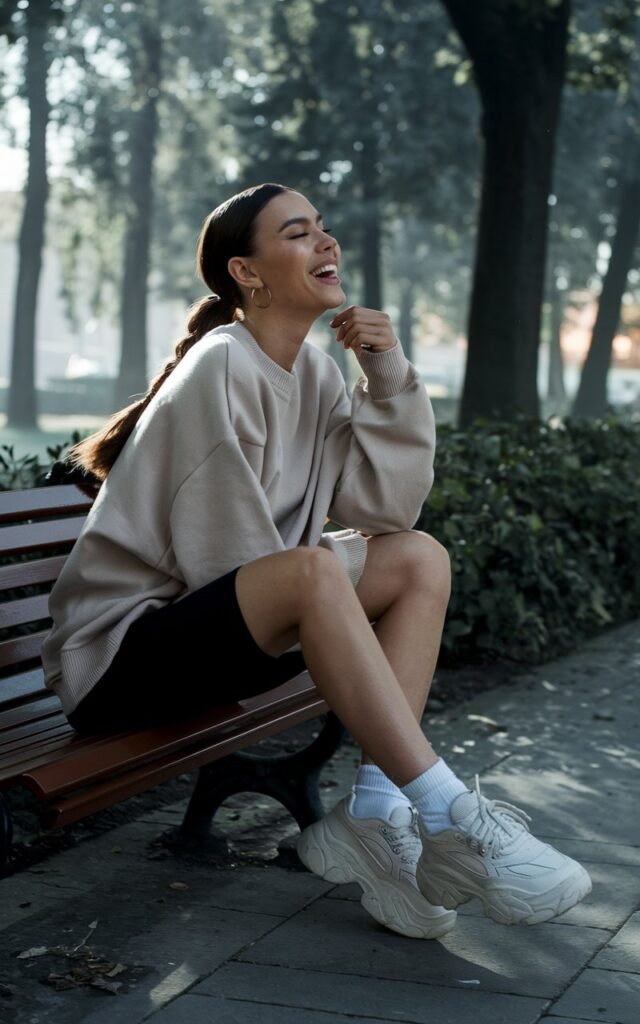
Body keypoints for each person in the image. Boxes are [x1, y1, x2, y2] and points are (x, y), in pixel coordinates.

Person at [42, 182, 591, 940]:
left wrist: (388, 374)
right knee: (313, 572)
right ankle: (451, 814)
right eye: (298, 233)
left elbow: (387, 512)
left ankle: (373, 810)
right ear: (249, 272)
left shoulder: (317, 374)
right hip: (120, 661)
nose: (327, 243)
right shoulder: (221, 365)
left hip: (220, 632)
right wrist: (325, 608)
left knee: (419, 559)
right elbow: (223, 564)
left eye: (323, 229)